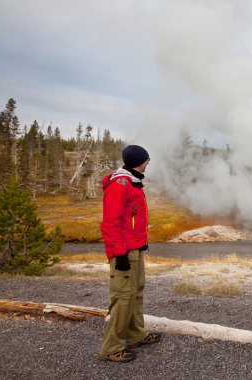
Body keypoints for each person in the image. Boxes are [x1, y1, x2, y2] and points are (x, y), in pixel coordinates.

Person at [98, 145, 161, 363]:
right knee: (123, 298)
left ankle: (136, 335)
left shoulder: (133, 182)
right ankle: (111, 348)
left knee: (136, 292)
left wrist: (140, 245)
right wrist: (120, 254)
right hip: (124, 251)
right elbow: (111, 223)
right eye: (147, 159)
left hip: (135, 249)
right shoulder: (120, 184)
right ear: (139, 161)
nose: (148, 163)